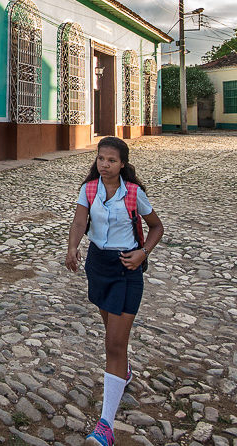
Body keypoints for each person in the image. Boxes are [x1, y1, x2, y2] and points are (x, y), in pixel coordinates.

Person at [65, 136, 164, 446]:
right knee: (112, 335)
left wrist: (143, 252)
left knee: (113, 344)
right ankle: (124, 371)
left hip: (127, 268)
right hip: (99, 266)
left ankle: (105, 425)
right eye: (100, 159)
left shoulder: (134, 194)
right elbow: (80, 220)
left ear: (123, 164)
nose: (104, 164)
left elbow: (156, 227)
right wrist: (72, 247)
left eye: (110, 160)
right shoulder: (89, 189)